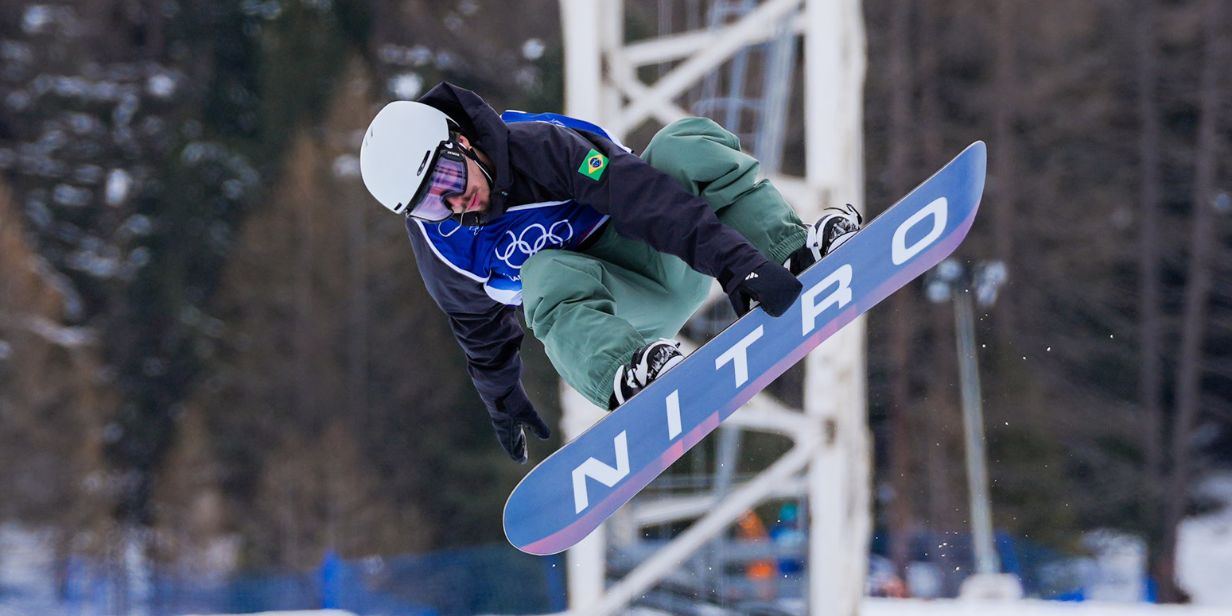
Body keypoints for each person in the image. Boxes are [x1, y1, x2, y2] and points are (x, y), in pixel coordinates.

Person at [359, 82, 860, 463]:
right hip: (620, 313)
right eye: (430, 203)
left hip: (670, 250)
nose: (453, 200)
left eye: (447, 176)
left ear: (463, 142)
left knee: (683, 145)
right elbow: (479, 331)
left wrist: (740, 265)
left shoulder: (539, 148)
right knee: (544, 272)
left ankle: (790, 250)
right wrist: (503, 399)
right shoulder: (446, 250)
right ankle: (627, 374)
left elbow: (649, 202)